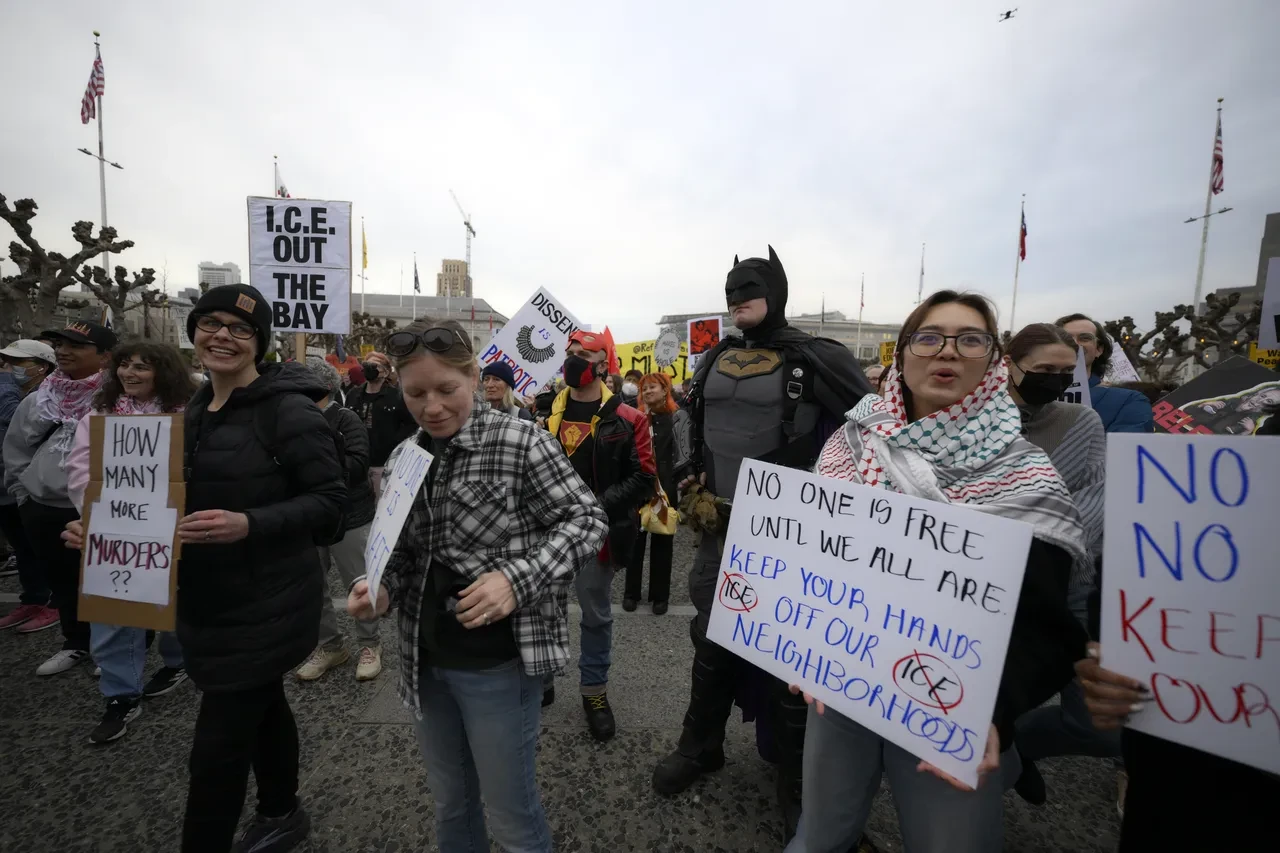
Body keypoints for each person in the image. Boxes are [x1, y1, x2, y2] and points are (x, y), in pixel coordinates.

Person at [787, 291, 1091, 853]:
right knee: (820, 835)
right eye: (929, 337)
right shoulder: (849, 444)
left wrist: (994, 710)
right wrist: (798, 642)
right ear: (902, 355)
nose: (945, 351)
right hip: (841, 683)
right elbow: (808, 559)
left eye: (969, 339)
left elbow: (1047, 624)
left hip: (952, 707)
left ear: (993, 362)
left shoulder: (1024, 471)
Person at [64, 285, 344, 852]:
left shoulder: (287, 411)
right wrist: (105, 528)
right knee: (264, 708)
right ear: (192, 333)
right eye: (211, 323)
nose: (223, 335)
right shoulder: (189, 410)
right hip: (206, 601)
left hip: (266, 602)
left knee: (215, 750)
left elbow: (333, 503)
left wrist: (250, 522)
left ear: (260, 343)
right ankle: (281, 812)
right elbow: (164, 504)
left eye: (241, 329)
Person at [348, 318, 609, 853]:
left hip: (499, 663)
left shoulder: (521, 441)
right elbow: (403, 552)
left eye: (447, 390)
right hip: (426, 656)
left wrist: (516, 581)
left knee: (511, 814)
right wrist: (380, 588)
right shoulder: (405, 456)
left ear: (473, 378)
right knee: (451, 804)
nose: (433, 406)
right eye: (416, 392)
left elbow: (586, 521)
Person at [652, 246, 872, 842]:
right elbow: (690, 423)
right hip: (720, 524)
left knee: (793, 653)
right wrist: (687, 470)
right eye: (730, 291)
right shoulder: (718, 356)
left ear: (774, 291)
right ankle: (702, 745)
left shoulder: (817, 356)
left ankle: (798, 783)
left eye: (748, 289)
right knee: (713, 634)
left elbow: (875, 434)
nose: (736, 299)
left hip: (792, 531)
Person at [999, 324, 1117, 805]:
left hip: (1067, 582)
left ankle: (1019, 741)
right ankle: (1002, 747)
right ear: (1010, 363)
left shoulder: (1080, 422)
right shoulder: (974, 421)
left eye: (1066, 372)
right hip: (994, 585)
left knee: (1100, 727)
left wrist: (1042, 542)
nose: (1055, 379)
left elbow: (1093, 501)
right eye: (1044, 370)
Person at [64, 340, 198, 743]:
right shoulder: (99, 417)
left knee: (174, 603)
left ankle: (176, 664)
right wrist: (94, 517)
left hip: (172, 530)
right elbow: (80, 470)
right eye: (124, 365)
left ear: (164, 372)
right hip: (114, 531)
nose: (129, 373)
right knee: (113, 610)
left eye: (142, 366)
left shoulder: (187, 417)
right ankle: (121, 695)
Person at [545, 329, 656, 739]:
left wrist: (593, 504)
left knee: (594, 614)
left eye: (583, 353)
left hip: (598, 533)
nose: (573, 358)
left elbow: (644, 478)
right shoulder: (548, 414)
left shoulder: (631, 419)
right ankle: (543, 676)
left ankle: (594, 690)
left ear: (602, 364)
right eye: (570, 351)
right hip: (549, 531)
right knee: (544, 606)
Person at [3, 321, 116, 674]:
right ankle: (75, 643)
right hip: (43, 509)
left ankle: (113, 649)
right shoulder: (39, 400)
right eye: (59, 343)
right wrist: (26, 495)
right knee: (63, 582)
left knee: (109, 582)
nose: (63, 351)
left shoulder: (122, 400)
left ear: (105, 356)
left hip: (101, 512)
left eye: (76, 345)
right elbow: (17, 448)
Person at [295, 357, 382, 683]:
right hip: (310, 517)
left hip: (350, 517)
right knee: (313, 587)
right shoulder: (292, 422)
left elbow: (358, 466)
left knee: (360, 583)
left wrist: (319, 458)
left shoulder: (346, 419)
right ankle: (329, 646)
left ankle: (369, 644)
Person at [0, 339, 57, 632]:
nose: (9, 369)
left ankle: (56, 604)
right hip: (10, 487)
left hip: (36, 492)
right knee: (24, 550)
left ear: (42, 368)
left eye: (18, 364)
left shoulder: (49, 399)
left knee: (47, 551)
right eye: (6, 362)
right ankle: (34, 599)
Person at [624, 372, 690, 615]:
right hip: (637, 487)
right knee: (635, 542)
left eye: (653, 387)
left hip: (665, 489)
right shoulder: (634, 417)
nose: (647, 392)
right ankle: (631, 593)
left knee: (663, 542)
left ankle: (660, 597)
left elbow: (683, 454)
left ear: (666, 390)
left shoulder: (676, 418)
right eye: (644, 388)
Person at [1055, 314, 1154, 432]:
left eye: (1085, 338)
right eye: (1067, 338)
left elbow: (1123, 448)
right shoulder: (1031, 396)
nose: (1075, 344)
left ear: (1099, 350)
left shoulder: (1128, 401)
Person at [345, 351, 416, 495]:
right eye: (366, 365)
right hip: (357, 465)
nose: (368, 369)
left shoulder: (397, 396)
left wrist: (393, 442)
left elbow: (411, 425)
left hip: (383, 464)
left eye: (374, 366)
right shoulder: (353, 394)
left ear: (385, 371)